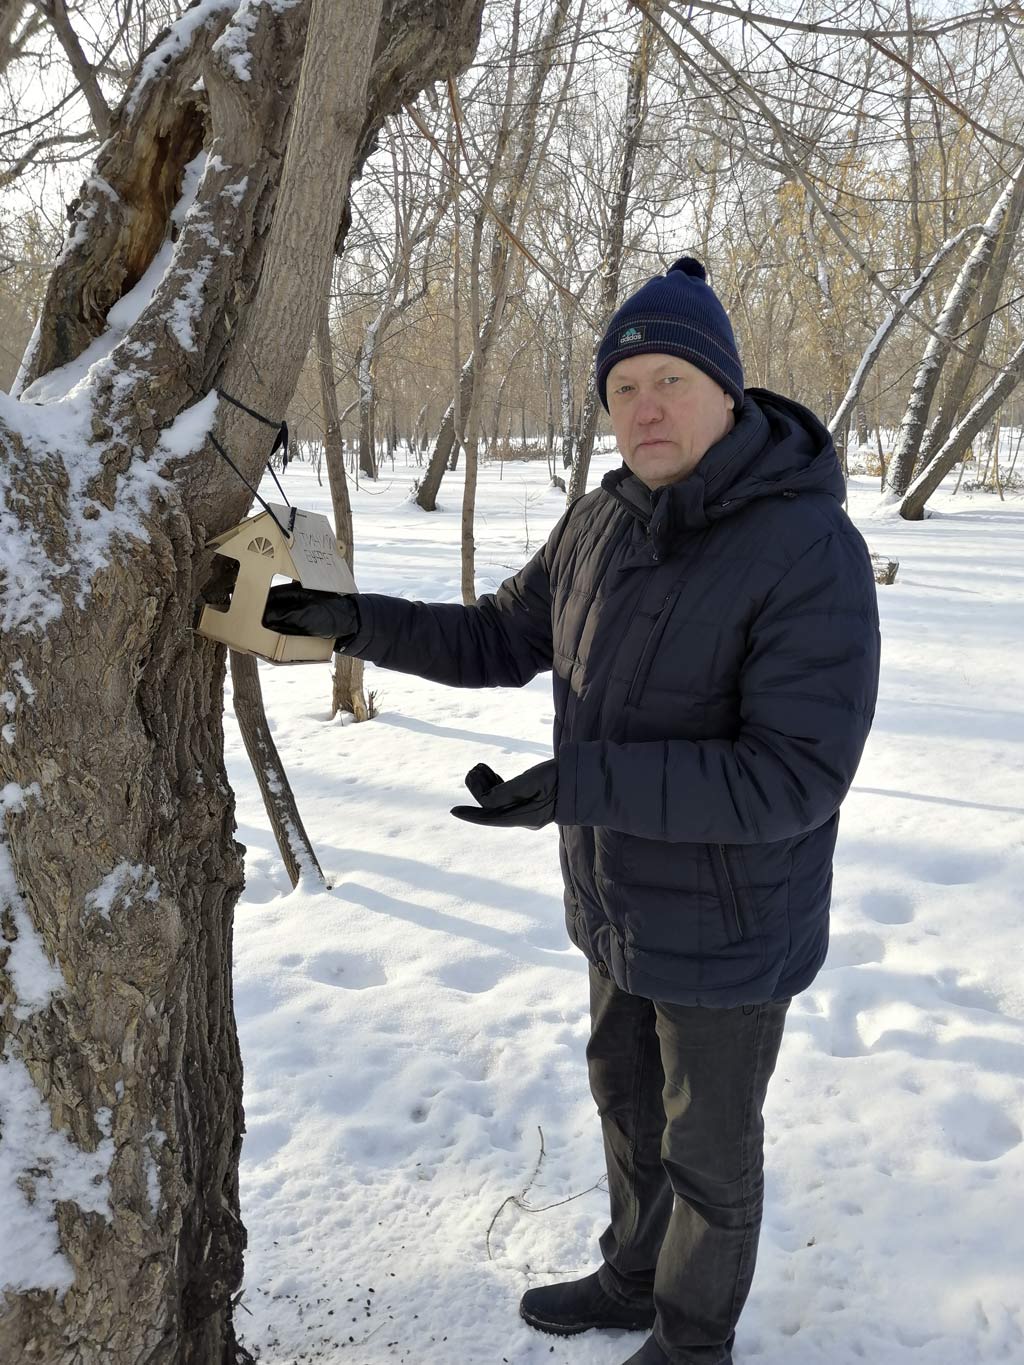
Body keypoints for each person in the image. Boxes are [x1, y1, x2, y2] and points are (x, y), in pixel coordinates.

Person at [262, 256, 881, 1365]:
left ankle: (692, 1344)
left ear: (725, 391)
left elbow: (792, 776)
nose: (644, 407)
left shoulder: (805, 549)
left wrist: (582, 785)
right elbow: (499, 637)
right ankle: (633, 1276)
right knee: (625, 1107)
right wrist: (349, 621)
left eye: (669, 381)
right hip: (617, 902)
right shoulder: (601, 522)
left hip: (733, 929)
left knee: (708, 1156)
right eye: (622, 387)